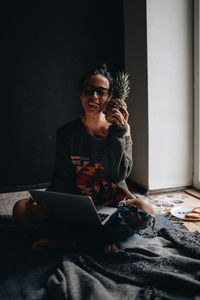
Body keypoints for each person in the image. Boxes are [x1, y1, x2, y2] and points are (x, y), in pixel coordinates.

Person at [13, 64, 154, 252]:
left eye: (101, 92)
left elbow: (117, 174)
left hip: (114, 206)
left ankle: (70, 244)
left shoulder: (121, 130)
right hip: (78, 206)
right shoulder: (67, 133)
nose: (94, 96)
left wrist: (118, 134)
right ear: (81, 95)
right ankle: (99, 242)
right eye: (89, 90)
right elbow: (62, 180)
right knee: (20, 209)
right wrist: (41, 204)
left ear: (109, 98)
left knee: (145, 209)